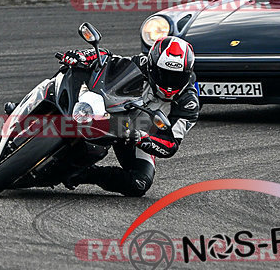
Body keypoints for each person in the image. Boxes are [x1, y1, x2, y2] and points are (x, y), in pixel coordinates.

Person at [58, 36, 199, 196]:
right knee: (75, 71)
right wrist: (84, 56)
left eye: (176, 77)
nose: (169, 84)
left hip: (138, 133)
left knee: (140, 183)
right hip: (110, 112)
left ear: (188, 74)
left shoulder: (189, 104)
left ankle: (82, 174)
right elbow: (107, 59)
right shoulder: (140, 64)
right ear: (152, 66)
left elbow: (170, 144)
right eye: (164, 74)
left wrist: (143, 138)